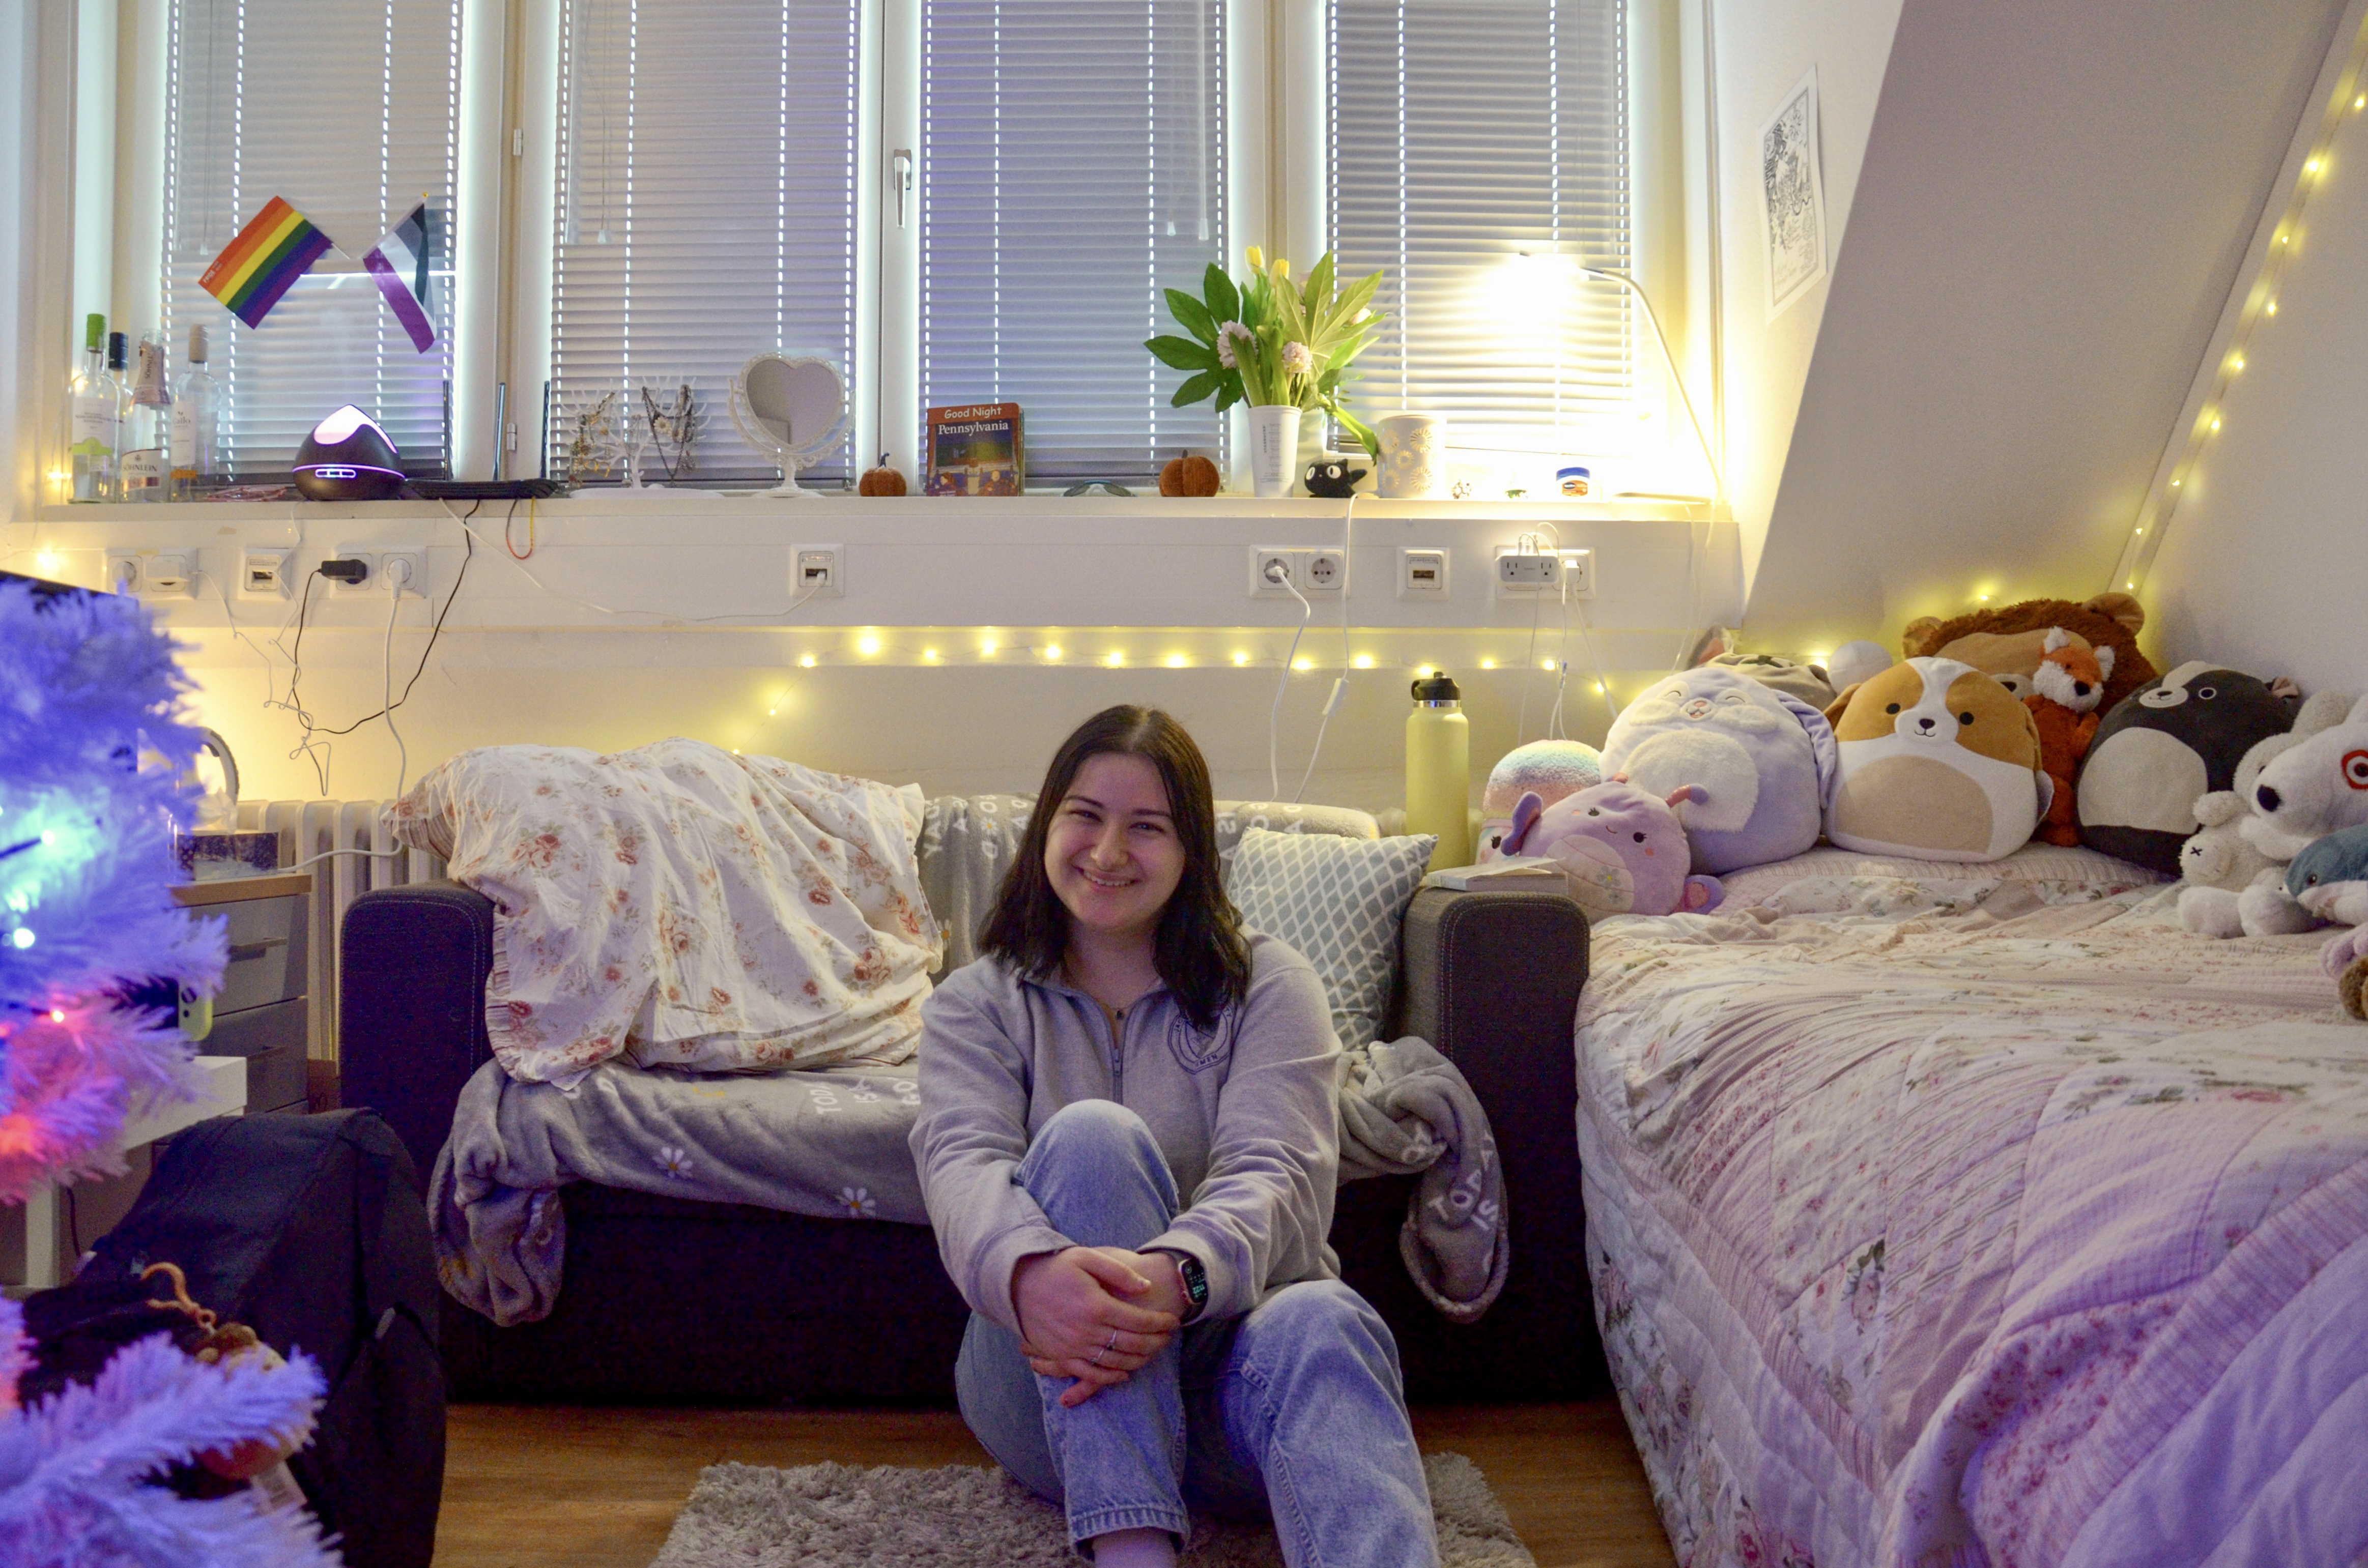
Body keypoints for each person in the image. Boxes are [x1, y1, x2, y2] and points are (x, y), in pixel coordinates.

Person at [911, 705, 1439, 1567]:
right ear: (1047, 822)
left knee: (1324, 1313)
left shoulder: (1268, 984)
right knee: (1091, 1140)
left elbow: (1282, 1174)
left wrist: (1180, 1275)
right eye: (1085, 815)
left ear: (1191, 849)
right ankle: (1132, 1550)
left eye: (1146, 827)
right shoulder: (979, 1000)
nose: (1109, 851)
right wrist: (1029, 1273)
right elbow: (958, 1166)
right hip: (1048, 1384)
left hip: (1237, 1395)